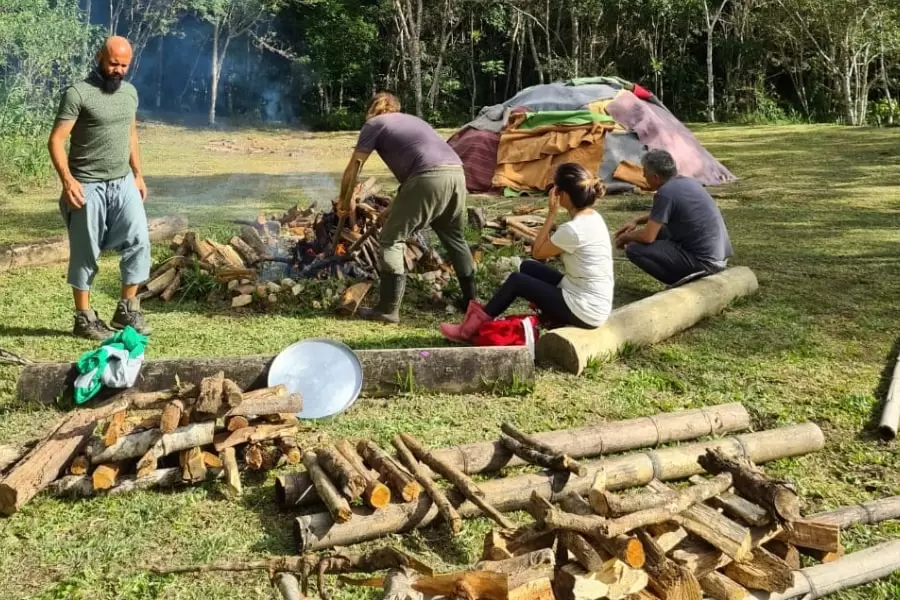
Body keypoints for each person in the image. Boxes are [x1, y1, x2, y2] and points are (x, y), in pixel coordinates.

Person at [339, 92, 476, 324]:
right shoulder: (413, 121)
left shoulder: (374, 124)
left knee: (392, 240)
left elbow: (355, 167)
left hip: (428, 177)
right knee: (454, 237)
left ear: (372, 109)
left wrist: (345, 200)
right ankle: (472, 302)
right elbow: (417, 174)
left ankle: (388, 309)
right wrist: (391, 209)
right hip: (455, 175)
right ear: (396, 108)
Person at [48, 36, 151, 340]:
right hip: (86, 185)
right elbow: (56, 140)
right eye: (113, 63)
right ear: (99, 58)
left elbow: (130, 133)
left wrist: (138, 174)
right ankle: (84, 318)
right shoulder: (78, 94)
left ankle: (127, 310)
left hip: (122, 182)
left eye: (124, 65)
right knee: (85, 252)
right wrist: (68, 181)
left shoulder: (130, 93)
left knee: (139, 241)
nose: (118, 70)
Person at [440, 163, 614, 343]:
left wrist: (551, 214)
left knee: (517, 281)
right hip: (589, 298)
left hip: (585, 309)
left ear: (563, 194)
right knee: (527, 267)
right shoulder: (593, 217)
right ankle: (551, 315)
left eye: (556, 188)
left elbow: (538, 252)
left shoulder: (573, 230)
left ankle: (468, 330)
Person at [614, 148, 732, 286]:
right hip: (718, 257)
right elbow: (662, 213)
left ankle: (682, 283)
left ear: (656, 177)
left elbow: (648, 237)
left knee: (634, 249)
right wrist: (636, 221)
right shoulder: (688, 182)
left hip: (705, 264)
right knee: (663, 230)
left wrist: (624, 238)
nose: (644, 178)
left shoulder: (665, 193)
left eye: (645, 174)